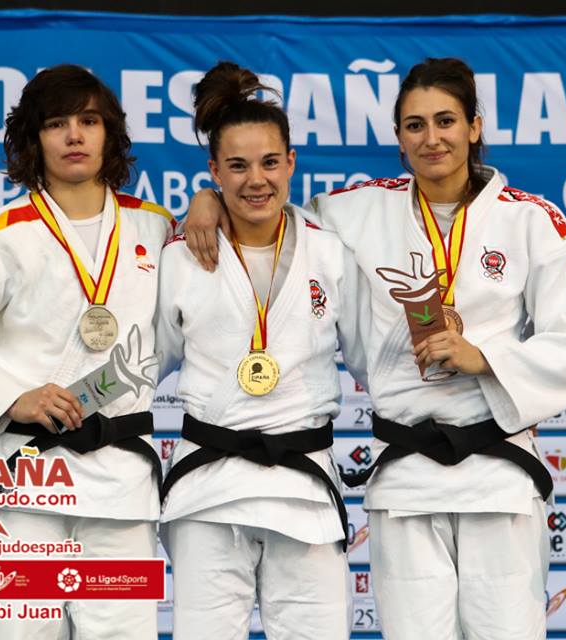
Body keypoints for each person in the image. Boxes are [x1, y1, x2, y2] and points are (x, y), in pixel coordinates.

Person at [184, 57, 566, 640]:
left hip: (500, 473)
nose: (432, 138)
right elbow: (268, 210)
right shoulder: (358, 210)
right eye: (415, 125)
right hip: (406, 475)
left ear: (474, 127)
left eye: (446, 121)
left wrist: (486, 358)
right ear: (399, 138)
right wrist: (207, 199)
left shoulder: (532, 220)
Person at [0, 64, 173, 640]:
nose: (74, 135)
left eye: (89, 121)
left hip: (121, 483)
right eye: (56, 124)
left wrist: (205, 203)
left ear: (110, 134)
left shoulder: (157, 229)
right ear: (34, 139)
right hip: (29, 479)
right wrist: (14, 398)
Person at [156, 61, 363, 640]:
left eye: (270, 162)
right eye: (237, 166)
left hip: (303, 488)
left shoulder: (330, 253)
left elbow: (374, 360)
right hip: (208, 489)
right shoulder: (181, 257)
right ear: (213, 171)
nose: (256, 181)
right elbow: (144, 364)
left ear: (291, 163)